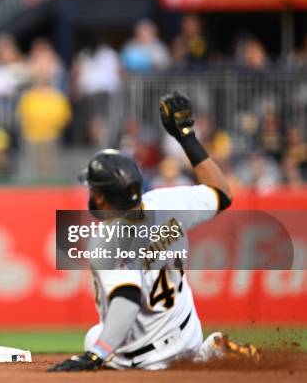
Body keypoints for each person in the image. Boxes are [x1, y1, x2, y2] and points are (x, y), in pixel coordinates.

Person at [49, 91, 258, 372]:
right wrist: (186, 137)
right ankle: (203, 355)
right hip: (188, 335)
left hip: (145, 359)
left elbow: (127, 298)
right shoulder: (167, 202)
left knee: (95, 339)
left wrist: (98, 355)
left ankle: (190, 359)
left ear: (100, 198)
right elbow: (222, 193)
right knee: (96, 333)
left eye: (93, 188)